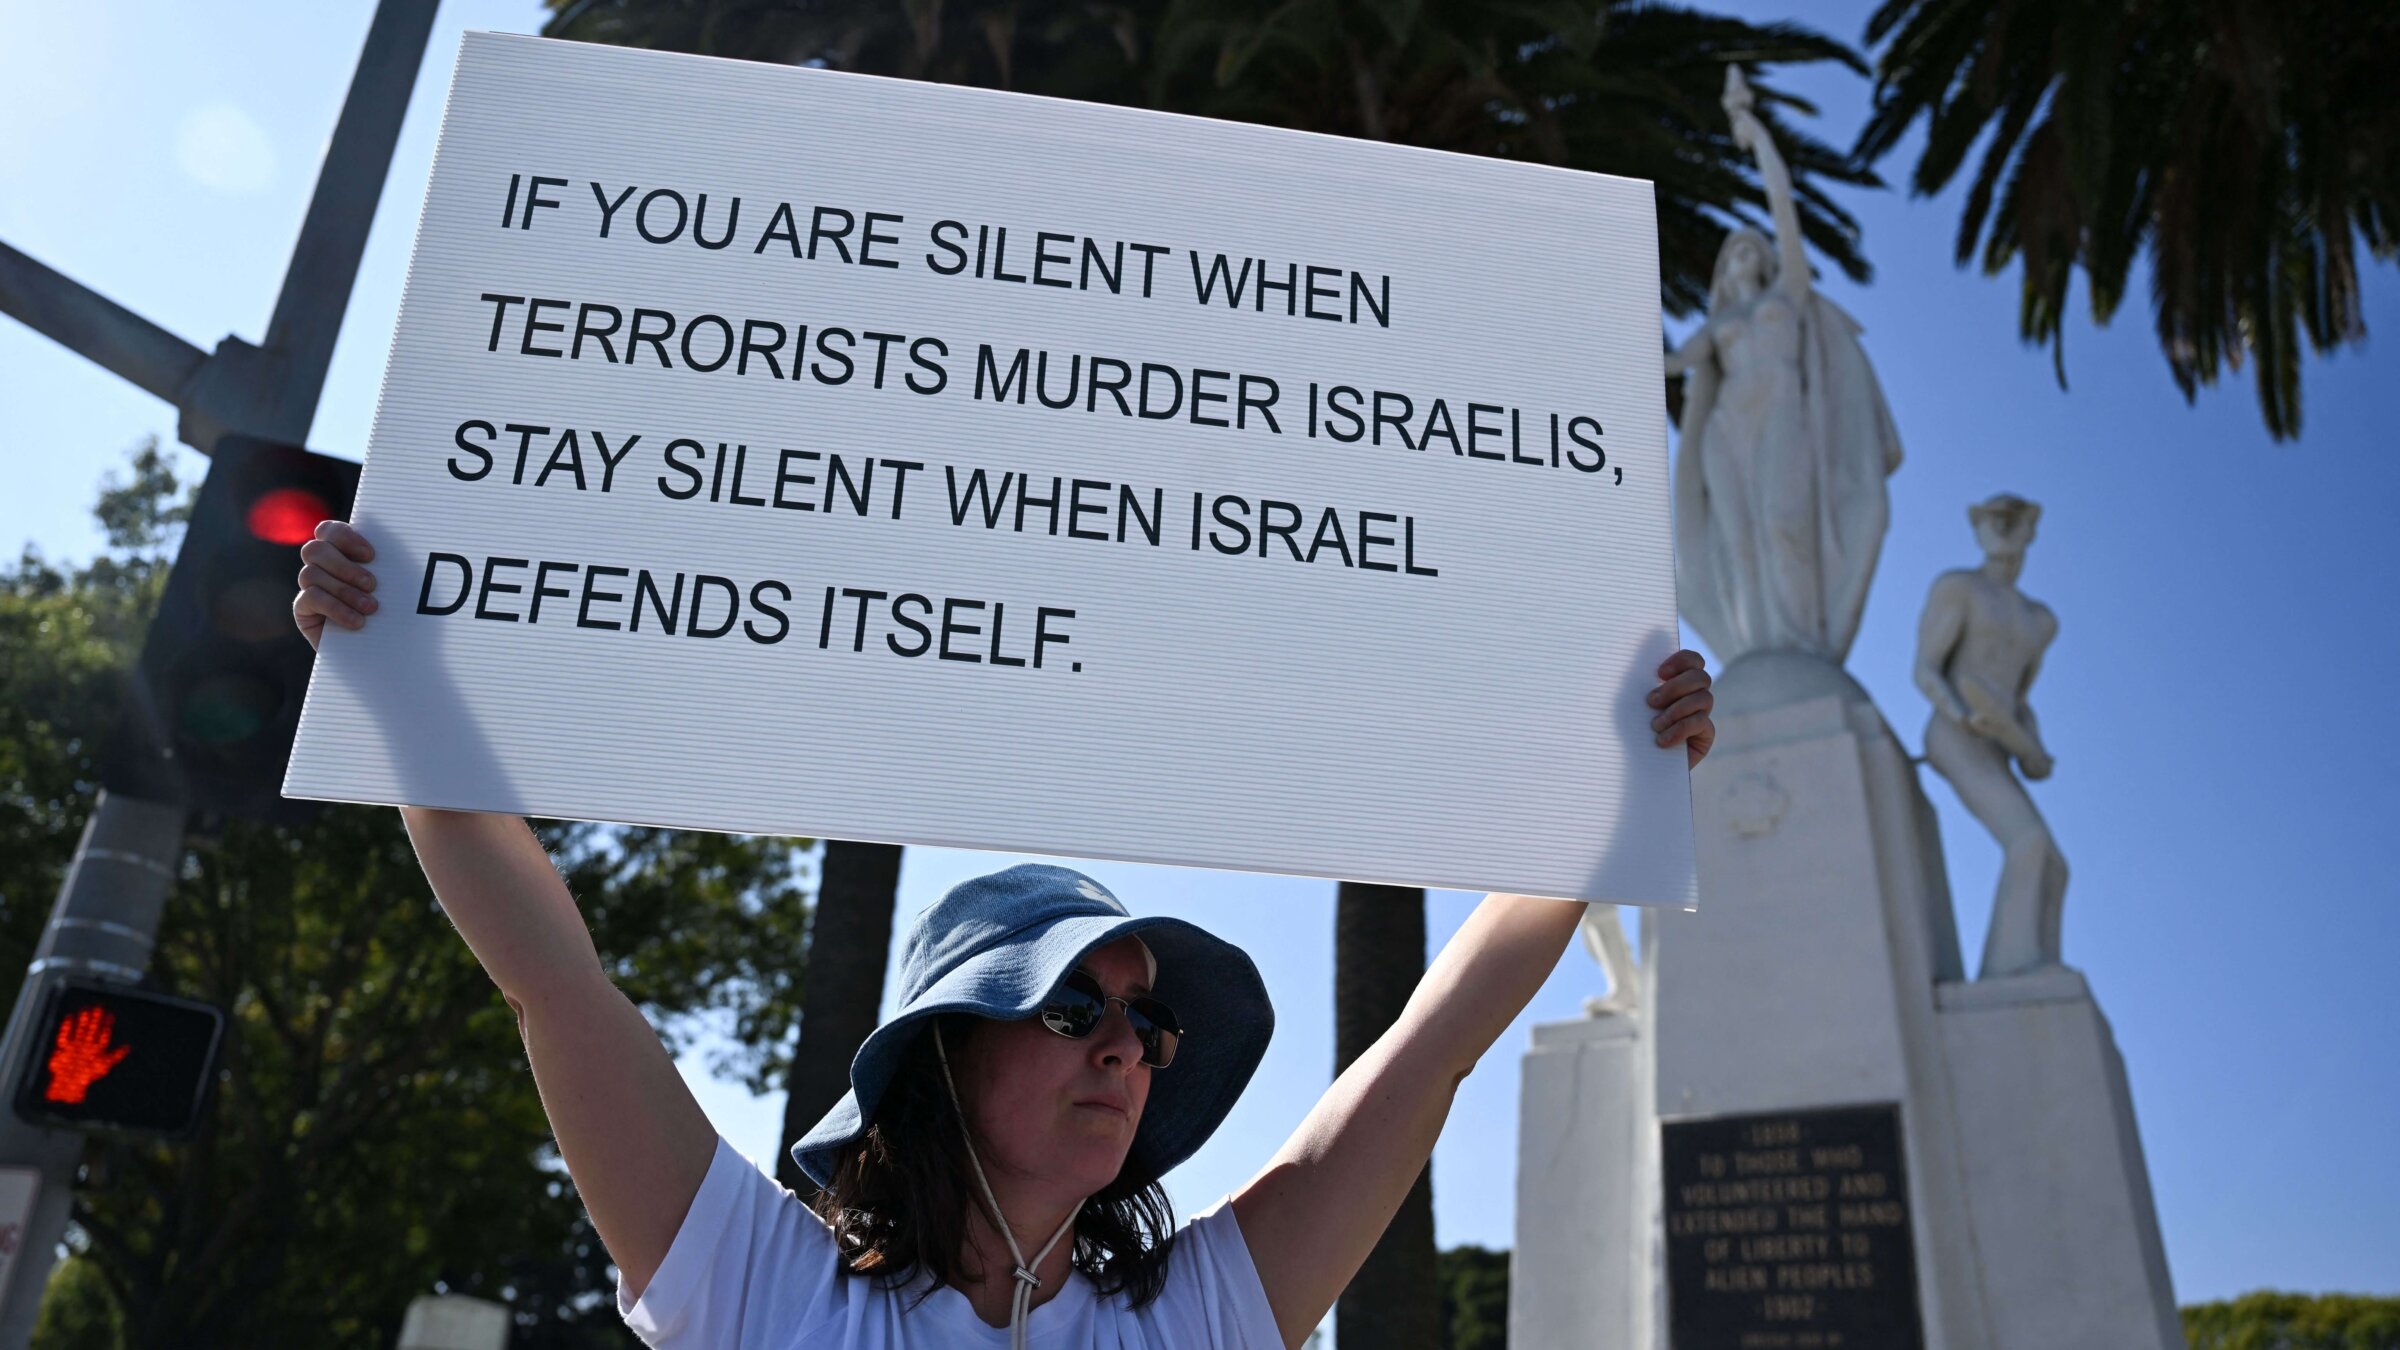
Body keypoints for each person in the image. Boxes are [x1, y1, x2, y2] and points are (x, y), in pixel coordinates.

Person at [291, 521, 1715, 1349]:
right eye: (1072, 1007)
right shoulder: (756, 1278)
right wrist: (397, 687)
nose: (1126, 1048)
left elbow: (1434, 1043)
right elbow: (554, 983)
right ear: (945, 1052)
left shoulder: (1197, 1311)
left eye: (1148, 1025)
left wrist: (1608, 806)